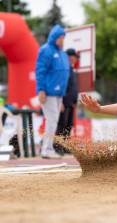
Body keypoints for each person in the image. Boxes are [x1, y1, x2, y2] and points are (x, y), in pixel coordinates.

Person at [35, 24, 70, 159]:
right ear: (54, 38)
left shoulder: (62, 53)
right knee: (52, 119)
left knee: (53, 120)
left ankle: (48, 148)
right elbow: (40, 71)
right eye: (60, 38)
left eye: (63, 38)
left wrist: (61, 95)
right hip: (48, 92)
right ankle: (46, 149)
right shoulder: (45, 50)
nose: (62, 41)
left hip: (57, 94)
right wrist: (41, 90)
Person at [54, 48, 79, 155]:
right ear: (70, 56)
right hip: (65, 101)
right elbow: (62, 86)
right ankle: (58, 146)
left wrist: (75, 100)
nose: (76, 59)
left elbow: (73, 87)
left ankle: (65, 146)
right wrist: (61, 102)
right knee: (62, 124)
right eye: (74, 57)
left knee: (69, 124)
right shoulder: (64, 68)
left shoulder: (71, 69)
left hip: (71, 102)